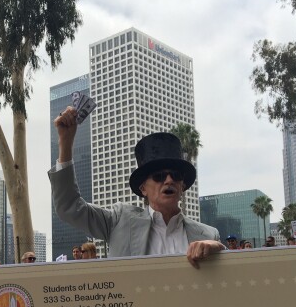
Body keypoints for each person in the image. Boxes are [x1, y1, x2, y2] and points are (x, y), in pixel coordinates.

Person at [50, 107, 223, 267]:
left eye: (176, 175)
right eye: (159, 176)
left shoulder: (209, 235)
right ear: (143, 189)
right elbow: (69, 207)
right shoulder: (118, 220)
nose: (169, 180)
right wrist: (65, 142)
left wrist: (219, 250)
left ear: (183, 185)